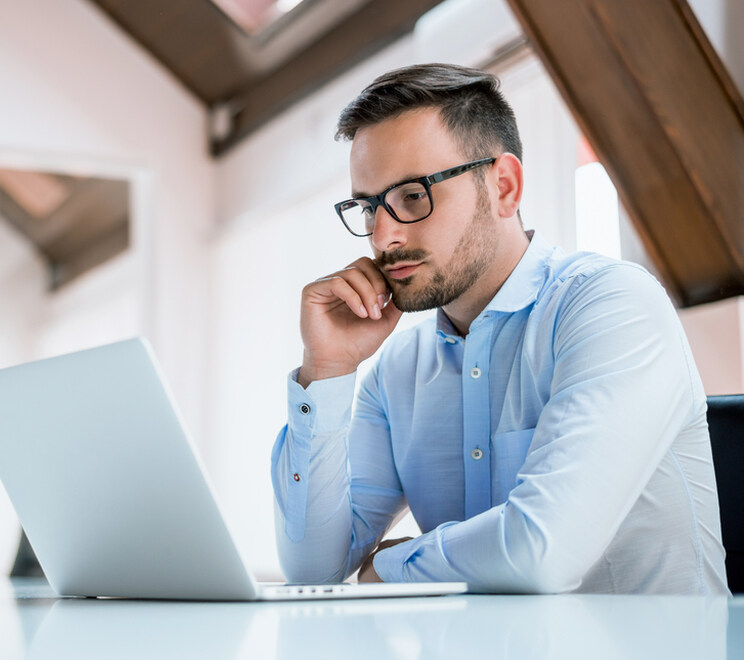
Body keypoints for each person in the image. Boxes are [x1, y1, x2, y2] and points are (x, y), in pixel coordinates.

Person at [270, 63, 729, 595]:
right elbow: (311, 570)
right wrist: (326, 369)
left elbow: (541, 552)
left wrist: (390, 568)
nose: (384, 236)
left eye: (413, 196)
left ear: (504, 186)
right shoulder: (397, 369)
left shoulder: (614, 306)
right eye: (369, 207)